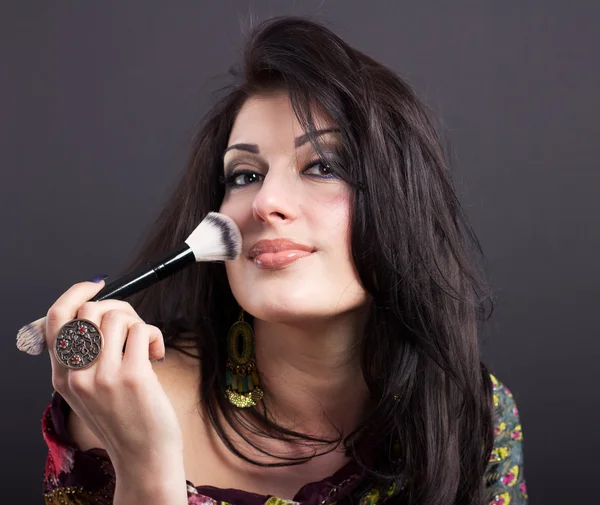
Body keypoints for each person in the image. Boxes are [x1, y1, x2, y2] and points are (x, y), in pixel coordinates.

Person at [41, 16, 527, 505]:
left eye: (322, 166)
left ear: (402, 203)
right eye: (245, 175)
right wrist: (144, 466)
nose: (265, 202)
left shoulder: (470, 413)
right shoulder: (122, 405)